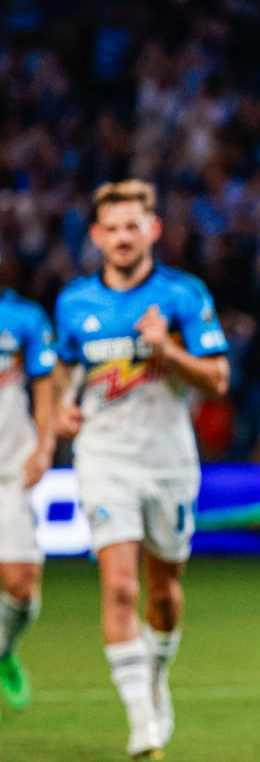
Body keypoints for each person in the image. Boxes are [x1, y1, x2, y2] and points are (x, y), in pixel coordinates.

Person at [53, 180, 229, 759]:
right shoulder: (75, 303)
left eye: (134, 226)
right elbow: (67, 371)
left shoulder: (183, 295)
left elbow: (219, 379)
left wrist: (167, 349)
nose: (123, 237)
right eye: (113, 228)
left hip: (169, 459)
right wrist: (64, 406)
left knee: (165, 593)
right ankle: (141, 724)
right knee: (121, 586)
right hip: (105, 458)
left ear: (152, 231)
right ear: (97, 236)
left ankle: (156, 675)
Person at [0, 286, 57, 720]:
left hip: (9, 470)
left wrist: (44, 446)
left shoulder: (22, 317)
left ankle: (2, 650)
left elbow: (44, 386)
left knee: (21, 583)